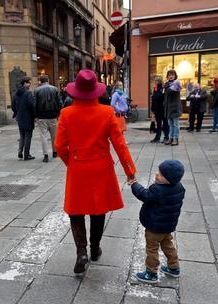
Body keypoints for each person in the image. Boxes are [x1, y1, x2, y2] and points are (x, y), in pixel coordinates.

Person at [55, 69, 136, 274]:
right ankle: (95, 248)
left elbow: (59, 146)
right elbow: (119, 144)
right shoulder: (107, 112)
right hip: (101, 167)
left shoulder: (66, 113)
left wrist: (70, 162)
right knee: (98, 209)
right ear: (96, 92)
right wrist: (129, 170)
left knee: (76, 210)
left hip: (78, 167)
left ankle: (81, 251)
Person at [129, 160, 185, 283]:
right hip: (168, 226)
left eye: (160, 174)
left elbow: (144, 195)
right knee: (168, 244)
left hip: (154, 227)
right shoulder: (180, 188)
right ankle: (173, 267)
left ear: (168, 179)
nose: (156, 174)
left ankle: (151, 272)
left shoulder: (158, 190)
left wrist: (134, 184)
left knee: (152, 249)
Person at [34, 75, 61, 162]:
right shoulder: (55, 89)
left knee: (43, 136)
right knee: (54, 136)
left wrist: (36, 116)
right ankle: (55, 152)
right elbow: (59, 102)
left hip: (41, 116)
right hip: (53, 116)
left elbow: (34, 104)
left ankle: (46, 154)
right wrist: (58, 114)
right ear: (48, 80)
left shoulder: (37, 90)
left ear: (40, 81)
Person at [12, 76, 35, 161]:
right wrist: (34, 115)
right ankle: (27, 154)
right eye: (29, 83)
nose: (30, 84)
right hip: (28, 117)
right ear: (25, 83)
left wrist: (17, 112)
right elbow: (32, 105)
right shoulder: (28, 93)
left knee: (22, 135)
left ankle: (20, 152)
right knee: (28, 136)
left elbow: (13, 105)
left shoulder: (16, 93)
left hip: (20, 117)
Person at [164, 70, 182, 146]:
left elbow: (170, 91)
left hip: (175, 107)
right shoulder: (166, 84)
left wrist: (166, 88)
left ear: (175, 76)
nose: (170, 76)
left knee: (175, 125)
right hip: (168, 108)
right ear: (167, 76)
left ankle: (175, 139)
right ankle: (170, 138)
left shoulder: (176, 83)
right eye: (169, 75)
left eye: (172, 75)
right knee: (170, 125)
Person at [150, 77, 169, 143]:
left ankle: (166, 137)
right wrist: (152, 109)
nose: (155, 82)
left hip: (163, 108)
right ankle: (157, 137)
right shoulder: (155, 88)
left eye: (156, 81)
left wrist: (156, 94)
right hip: (157, 109)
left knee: (165, 123)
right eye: (155, 80)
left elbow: (160, 96)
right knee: (158, 124)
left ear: (160, 81)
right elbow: (153, 99)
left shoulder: (163, 88)